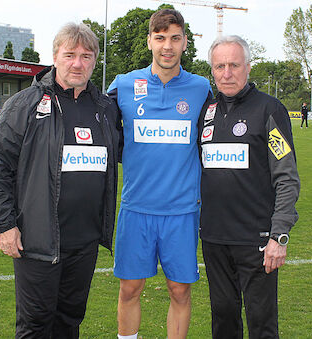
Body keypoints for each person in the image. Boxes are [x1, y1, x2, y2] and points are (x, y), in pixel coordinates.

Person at [0, 22, 120, 338]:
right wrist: (4, 224)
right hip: (38, 239)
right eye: (70, 55)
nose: (78, 63)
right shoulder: (26, 104)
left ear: (94, 61)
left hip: (84, 242)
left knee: (70, 320)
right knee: (35, 323)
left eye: (86, 56)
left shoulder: (105, 108)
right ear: (55, 56)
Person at [107, 9, 212, 339]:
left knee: (180, 292)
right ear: (150, 40)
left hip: (182, 211)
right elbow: (101, 129)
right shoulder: (124, 85)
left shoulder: (201, 88)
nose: (168, 46)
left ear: (185, 43)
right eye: (161, 37)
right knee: (129, 290)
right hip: (136, 208)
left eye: (175, 38)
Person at [198, 35, 300, 339]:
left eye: (234, 65)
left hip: (256, 239)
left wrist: (278, 235)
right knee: (223, 319)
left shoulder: (269, 110)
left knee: (261, 322)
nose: (226, 73)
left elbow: (287, 176)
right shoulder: (205, 112)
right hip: (215, 238)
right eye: (220, 66)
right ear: (212, 70)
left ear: (248, 67)